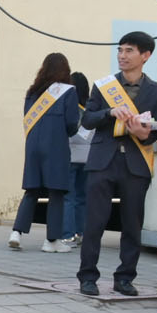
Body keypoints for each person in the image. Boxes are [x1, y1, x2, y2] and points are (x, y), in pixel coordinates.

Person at [76, 31, 157, 296]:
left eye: (129, 51)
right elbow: (87, 120)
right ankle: (87, 276)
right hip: (102, 160)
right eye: (120, 50)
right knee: (94, 223)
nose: (122, 56)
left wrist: (144, 134)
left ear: (145, 55)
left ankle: (125, 278)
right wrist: (109, 112)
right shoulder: (104, 86)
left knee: (132, 225)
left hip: (136, 163)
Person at [8, 52, 78, 253]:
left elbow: (27, 118)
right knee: (56, 192)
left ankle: (16, 233)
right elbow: (72, 124)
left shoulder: (32, 92)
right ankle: (51, 240)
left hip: (32, 146)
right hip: (56, 146)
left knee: (31, 190)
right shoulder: (68, 91)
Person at [63, 72, 91, 245]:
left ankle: (67, 234)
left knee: (68, 197)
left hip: (70, 155)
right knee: (82, 197)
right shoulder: (90, 108)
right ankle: (82, 233)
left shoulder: (70, 106)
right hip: (87, 158)